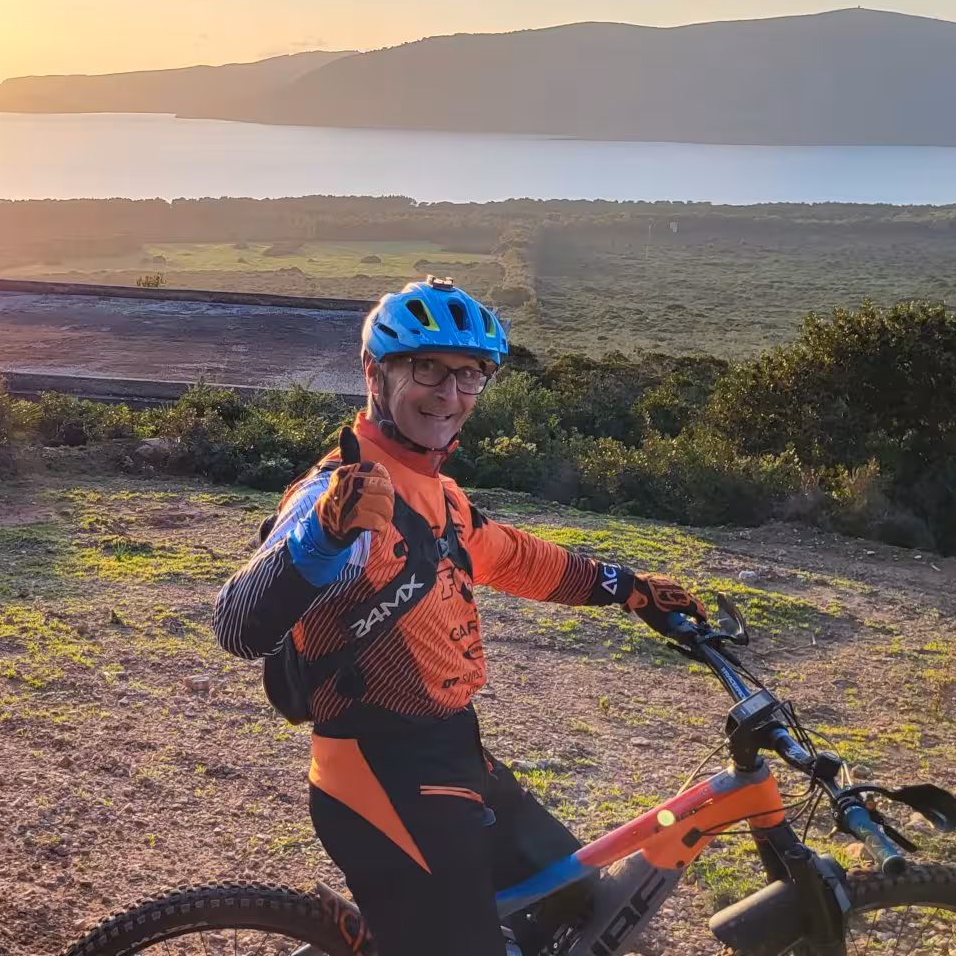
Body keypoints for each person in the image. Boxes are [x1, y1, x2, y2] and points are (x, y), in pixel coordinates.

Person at [212, 278, 709, 956]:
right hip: (378, 773)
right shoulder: (342, 494)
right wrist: (320, 539)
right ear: (374, 373)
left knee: (577, 899)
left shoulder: (436, 491)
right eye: (427, 369)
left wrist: (628, 588)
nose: (449, 396)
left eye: (469, 375)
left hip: (452, 751)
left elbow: (510, 555)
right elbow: (238, 625)